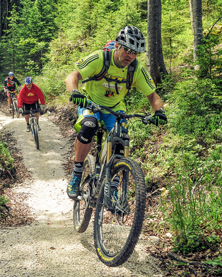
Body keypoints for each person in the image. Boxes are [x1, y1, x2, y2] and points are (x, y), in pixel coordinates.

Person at [64, 25, 167, 199]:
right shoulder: (100, 58)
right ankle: (77, 173)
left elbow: (152, 95)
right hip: (91, 102)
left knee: (121, 138)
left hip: (115, 108)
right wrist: (75, 92)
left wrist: (159, 111)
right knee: (89, 125)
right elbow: (72, 76)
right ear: (117, 46)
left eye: (135, 52)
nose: (130, 56)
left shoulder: (135, 69)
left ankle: (112, 185)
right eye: (127, 50)